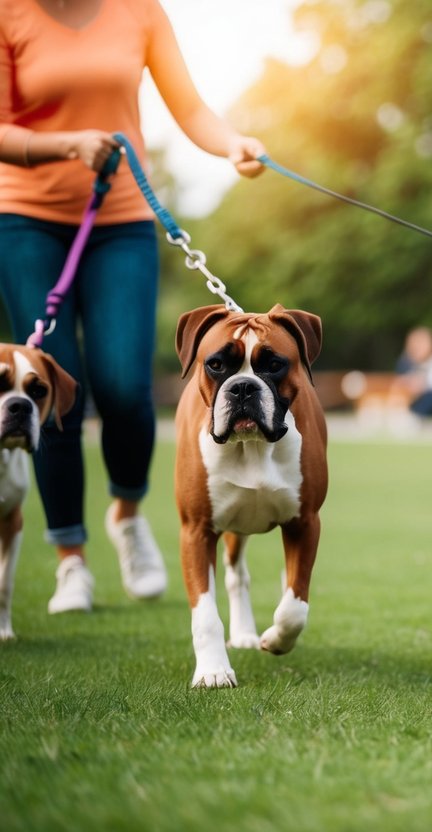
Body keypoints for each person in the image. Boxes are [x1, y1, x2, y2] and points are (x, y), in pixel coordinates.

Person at [0, 0, 267, 614]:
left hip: (121, 219)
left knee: (123, 383)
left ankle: (126, 511)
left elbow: (191, 108)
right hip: (24, 221)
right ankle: (71, 559)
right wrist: (66, 145)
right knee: (52, 383)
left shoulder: (139, 11)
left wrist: (233, 145)